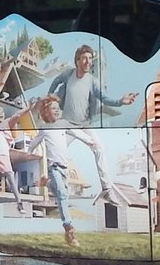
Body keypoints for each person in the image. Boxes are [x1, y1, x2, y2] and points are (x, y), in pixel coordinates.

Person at [45, 44, 137, 198]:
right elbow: (55, 81)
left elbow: (104, 98)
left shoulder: (92, 81)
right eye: (85, 58)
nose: (88, 62)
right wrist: (50, 97)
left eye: (90, 59)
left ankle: (106, 189)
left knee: (99, 148)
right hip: (67, 124)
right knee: (55, 152)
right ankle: (50, 183)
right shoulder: (68, 74)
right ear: (77, 61)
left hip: (84, 125)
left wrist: (121, 101)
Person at [26, 95, 89, 246]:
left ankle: (46, 183)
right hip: (53, 167)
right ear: (46, 112)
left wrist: (89, 141)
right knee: (62, 195)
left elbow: (76, 132)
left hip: (63, 168)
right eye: (53, 108)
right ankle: (69, 228)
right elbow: (35, 142)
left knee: (62, 194)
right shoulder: (45, 129)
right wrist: (29, 151)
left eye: (58, 108)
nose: (57, 111)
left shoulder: (63, 124)